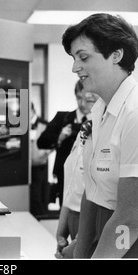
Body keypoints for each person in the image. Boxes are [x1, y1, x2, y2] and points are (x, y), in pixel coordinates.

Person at [62, 13, 138, 258]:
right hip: (107, 232)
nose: (75, 68)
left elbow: (129, 220)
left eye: (83, 57)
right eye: (74, 59)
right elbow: (93, 191)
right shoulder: (100, 111)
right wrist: (80, 250)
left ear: (116, 55)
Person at [55, 92, 98, 259]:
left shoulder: (111, 136)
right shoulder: (85, 131)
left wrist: (77, 244)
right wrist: (61, 232)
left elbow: (104, 197)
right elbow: (72, 182)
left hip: (90, 226)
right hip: (73, 217)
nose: (88, 97)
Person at [37, 80, 93, 208]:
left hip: (90, 178)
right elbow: (41, 142)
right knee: (66, 214)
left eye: (87, 99)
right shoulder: (63, 118)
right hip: (66, 178)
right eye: (79, 98)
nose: (83, 103)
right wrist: (60, 136)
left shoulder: (99, 119)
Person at [30, 103, 53, 217]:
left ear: (32, 110)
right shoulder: (20, 124)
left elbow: (52, 142)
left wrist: (43, 154)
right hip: (25, 165)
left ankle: (38, 217)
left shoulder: (44, 124)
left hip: (39, 164)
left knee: (37, 193)